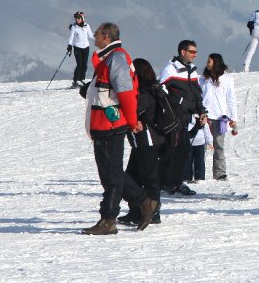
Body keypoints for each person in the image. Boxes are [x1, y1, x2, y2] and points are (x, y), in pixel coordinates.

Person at [80, 22, 148, 236]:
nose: (94, 36)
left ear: (107, 37)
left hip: (110, 126)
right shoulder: (107, 58)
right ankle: (143, 202)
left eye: (98, 33)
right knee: (111, 173)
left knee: (111, 176)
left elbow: (126, 93)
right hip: (102, 126)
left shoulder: (116, 58)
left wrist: (132, 120)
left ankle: (109, 219)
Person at [117, 58, 169, 230]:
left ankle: (153, 212)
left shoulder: (145, 92)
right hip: (141, 143)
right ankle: (136, 211)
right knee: (133, 176)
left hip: (147, 141)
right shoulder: (149, 90)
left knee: (149, 177)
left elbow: (136, 110)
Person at [158, 40, 205, 195]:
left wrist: (201, 110)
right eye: (192, 52)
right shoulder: (170, 69)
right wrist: (178, 103)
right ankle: (173, 184)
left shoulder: (192, 70)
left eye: (196, 52)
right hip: (173, 117)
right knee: (180, 150)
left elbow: (197, 93)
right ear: (183, 52)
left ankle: (165, 182)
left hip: (186, 117)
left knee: (177, 150)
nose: (195, 55)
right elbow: (159, 91)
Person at [200, 53, 237, 180]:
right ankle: (198, 173)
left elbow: (231, 99)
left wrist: (233, 118)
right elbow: (198, 96)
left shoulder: (227, 78)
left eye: (209, 61)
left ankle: (220, 173)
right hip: (204, 116)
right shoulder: (203, 78)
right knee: (201, 145)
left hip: (219, 118)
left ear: (216, 62)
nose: (207, 63)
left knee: (219, 146)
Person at [67, 11, 95, 88]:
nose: (77, 19)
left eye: (79, 18)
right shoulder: (74, 27)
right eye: (76, 18)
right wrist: (69, 46)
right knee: (79, 64)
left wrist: (99, 38)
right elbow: (71, 38)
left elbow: (91, 36)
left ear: (82, 18)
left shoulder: (87, 26)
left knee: (85, 65)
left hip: (86, 47)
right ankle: (76, 80)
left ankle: (82, 79)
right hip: (77, 47)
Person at [184, 110, 212, 184]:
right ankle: (187, 177)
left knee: (199, 161)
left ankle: (200, 177)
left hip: (200, 143)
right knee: (187, 160)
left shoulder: (203, 122)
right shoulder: (188, 119)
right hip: (189, 143)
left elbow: (207, 132)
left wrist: (209, 142)